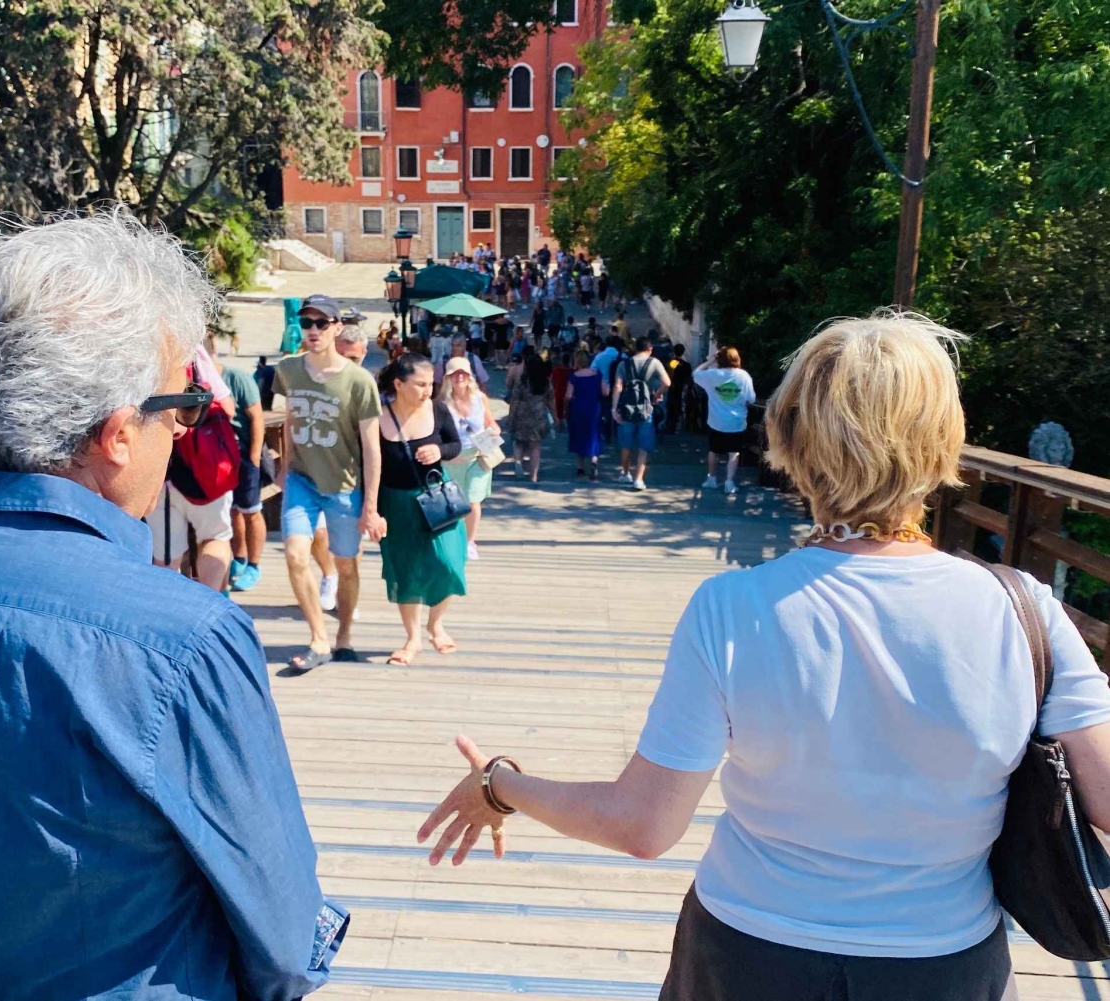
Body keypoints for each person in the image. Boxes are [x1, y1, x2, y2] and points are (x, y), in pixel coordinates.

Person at [416, 310, 1110, 1001]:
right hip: (942, 961)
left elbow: (644, 825)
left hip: (749, 953)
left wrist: (501, 784)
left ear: (793, 439)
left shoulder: (733, 608)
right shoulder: (1024, 614)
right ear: (941, 440)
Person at [0, 210, 347, 1000]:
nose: (184, 429)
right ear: (120, 432)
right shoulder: (186, 634)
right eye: (182, 408)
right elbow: (287, 942)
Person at [275, 294, 384, 672]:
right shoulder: (288, 370)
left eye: (323, 323)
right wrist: (283, 466)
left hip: (344, 484)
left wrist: (370, 506)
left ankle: (344, 636)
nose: (314, 330)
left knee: (347, 565)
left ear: (338, 328)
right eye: (308, 323)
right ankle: (318, 637)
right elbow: (289, 420)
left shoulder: (359, 382)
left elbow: (372, 449)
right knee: (294, 555)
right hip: (301, 480)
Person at [376, 353, 467, 665]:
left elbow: (456, 445)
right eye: (420, 384)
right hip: (395, 502)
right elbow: (369, 467)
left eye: (431, 383)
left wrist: (438, 450)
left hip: (436, 498)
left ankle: (436, 622)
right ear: (399, 384)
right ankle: (412, 637)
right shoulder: (378, 416)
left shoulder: (438, 409)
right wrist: (372, 512)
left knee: (449, 562)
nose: (428, 390)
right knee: (405, 570)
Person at [150, 341, 237, 590]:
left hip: (160, 469)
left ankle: (169, 614)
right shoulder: (192, 349)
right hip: (204, 469)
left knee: (166, 555)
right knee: (215, 538)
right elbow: (228, 408)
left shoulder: (139, 342)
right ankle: (209, 600)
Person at [211, 338, 267, 593]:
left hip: (243, 453)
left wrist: (254, 457)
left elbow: (256, 417)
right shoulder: (196, 379)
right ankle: (239, 557)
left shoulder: (237, 378)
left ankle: (254, 564)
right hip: (217, 457)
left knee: (251, 510)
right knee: (231, 510)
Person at [442, 357, 500, 561]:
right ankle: (453, 540)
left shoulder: (480, 398)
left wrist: (491, 435)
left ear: (470, 376)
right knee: (454, 503)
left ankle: (469, 542)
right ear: (448, 377)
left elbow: (491, 423)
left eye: (464, 373)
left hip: (477, 457)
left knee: (473, 501)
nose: (460, 377)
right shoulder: (441, 404)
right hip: (451, 459)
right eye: (455, 374)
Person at [695, 346, 757, 495]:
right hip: (736, 421)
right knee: (733, 453)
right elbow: (751, 398)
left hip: (716, 420)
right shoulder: (743, 376)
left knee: (713, 451)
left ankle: (712, 479)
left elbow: (696, 374)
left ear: (720, 359)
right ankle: (729, 482)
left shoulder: (712, 375)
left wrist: (711, 360)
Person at [611, 337, 669, 491]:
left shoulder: (624, 364)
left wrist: (614, 408)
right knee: (644, 446)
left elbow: (618, 387)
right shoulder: (654, 363)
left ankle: (625, 473)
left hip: (626, 408)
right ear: (649, 348)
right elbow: (667, 383)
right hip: (646, 409)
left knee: (625, 444)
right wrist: (656, 395)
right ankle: (639, 479)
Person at [507, 348, 552, 483]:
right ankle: (534, 476)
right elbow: (550, 398)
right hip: (538, 415)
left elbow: (514, 399)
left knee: (518, 441)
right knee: (535, 446)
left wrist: (510, 416)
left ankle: (518, 462)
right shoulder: (545, 382)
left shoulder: (522, 381)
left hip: (522, 413)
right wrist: (555, 417)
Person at [565, 349, 608, 481]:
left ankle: (580, 467)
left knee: (579, 435)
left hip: (578, 409)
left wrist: (565, 408)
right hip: (594, 408)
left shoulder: (574, 376)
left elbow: (568, 396)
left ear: (577, 361)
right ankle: (594, 461)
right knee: (594, 434)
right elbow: (606, 392)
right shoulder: (597, 374)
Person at [665, 343, 692, 434]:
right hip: (680, 388)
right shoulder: (686, 365)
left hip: (670, 387)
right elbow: (689, 379)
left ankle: (669, 425)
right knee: (678, 406)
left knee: (670, 406)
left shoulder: (670, 362)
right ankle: (675, 425)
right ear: (683, 352)